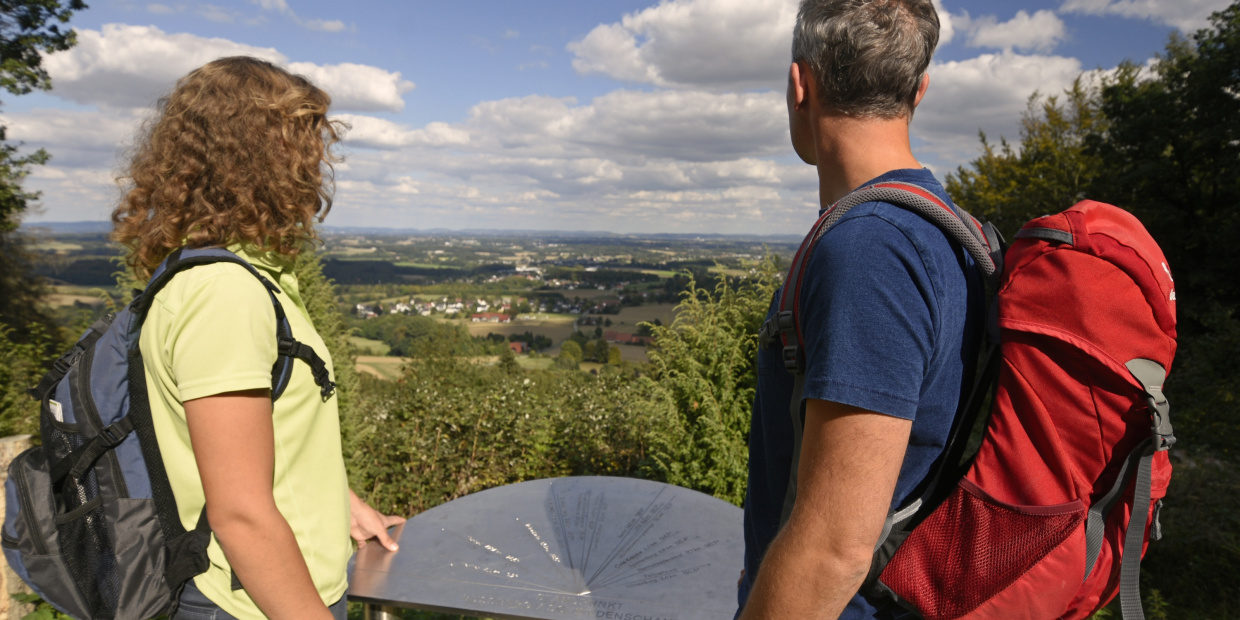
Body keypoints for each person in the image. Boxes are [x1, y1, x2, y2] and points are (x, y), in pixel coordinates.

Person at [111, 56, 404, 620]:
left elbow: (244, 451)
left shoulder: (228, 275)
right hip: (250, 606)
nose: (317, 163)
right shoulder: (225, 293)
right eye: (304, 142)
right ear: (260, 155)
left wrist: (336, 505)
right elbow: (240, 513)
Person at [736, 1, 984, 618]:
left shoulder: (871, 249)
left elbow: (834, 549)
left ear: (800, 85)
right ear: (918, 91)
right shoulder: (953, 230)